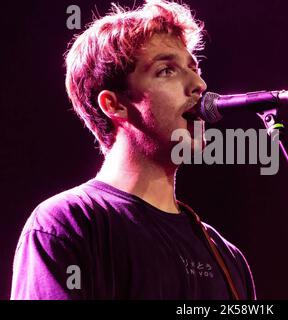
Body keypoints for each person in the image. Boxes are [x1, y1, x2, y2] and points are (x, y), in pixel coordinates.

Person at [10, 0, 256, 300]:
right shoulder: (66, 225)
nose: (199, 85)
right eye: (167, 70)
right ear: (114, 105)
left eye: (194, 68)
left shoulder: (227, 258)